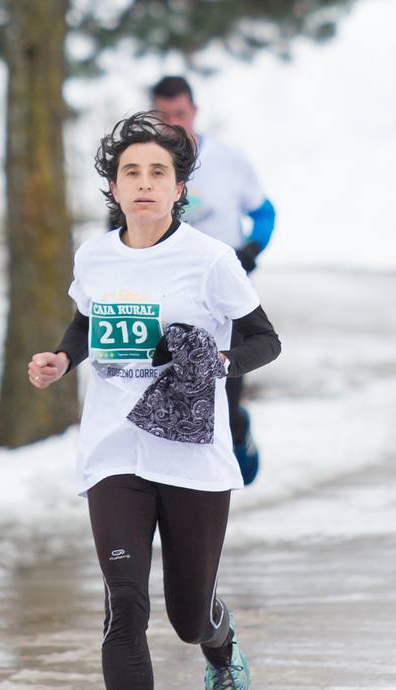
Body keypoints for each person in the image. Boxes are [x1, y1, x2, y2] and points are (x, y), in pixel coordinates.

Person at [27, 113, 281, 690]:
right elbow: (86, 320)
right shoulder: (95, 255)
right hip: (114, 451)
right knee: (123, 606)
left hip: (192, 457)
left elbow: (265, 340)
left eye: (157, 173)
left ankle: (218, 641)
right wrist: (62, 356)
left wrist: (216, 362)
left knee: (184, 614)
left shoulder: (208, 260)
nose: (143, 184)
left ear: (178, 189)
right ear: (113, 186)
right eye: (130, 172)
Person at [150, 75, 276, 486]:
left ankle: (236, 437)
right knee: (172, 379)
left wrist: (251, 252)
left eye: (180, 114)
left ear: (195, 112)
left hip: (225, 289)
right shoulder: (145, 168)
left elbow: (264, 213)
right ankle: (180, 472)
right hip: (170, 292)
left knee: (225, 384)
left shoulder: (229, 161)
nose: (173, 123)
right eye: (163, 116)